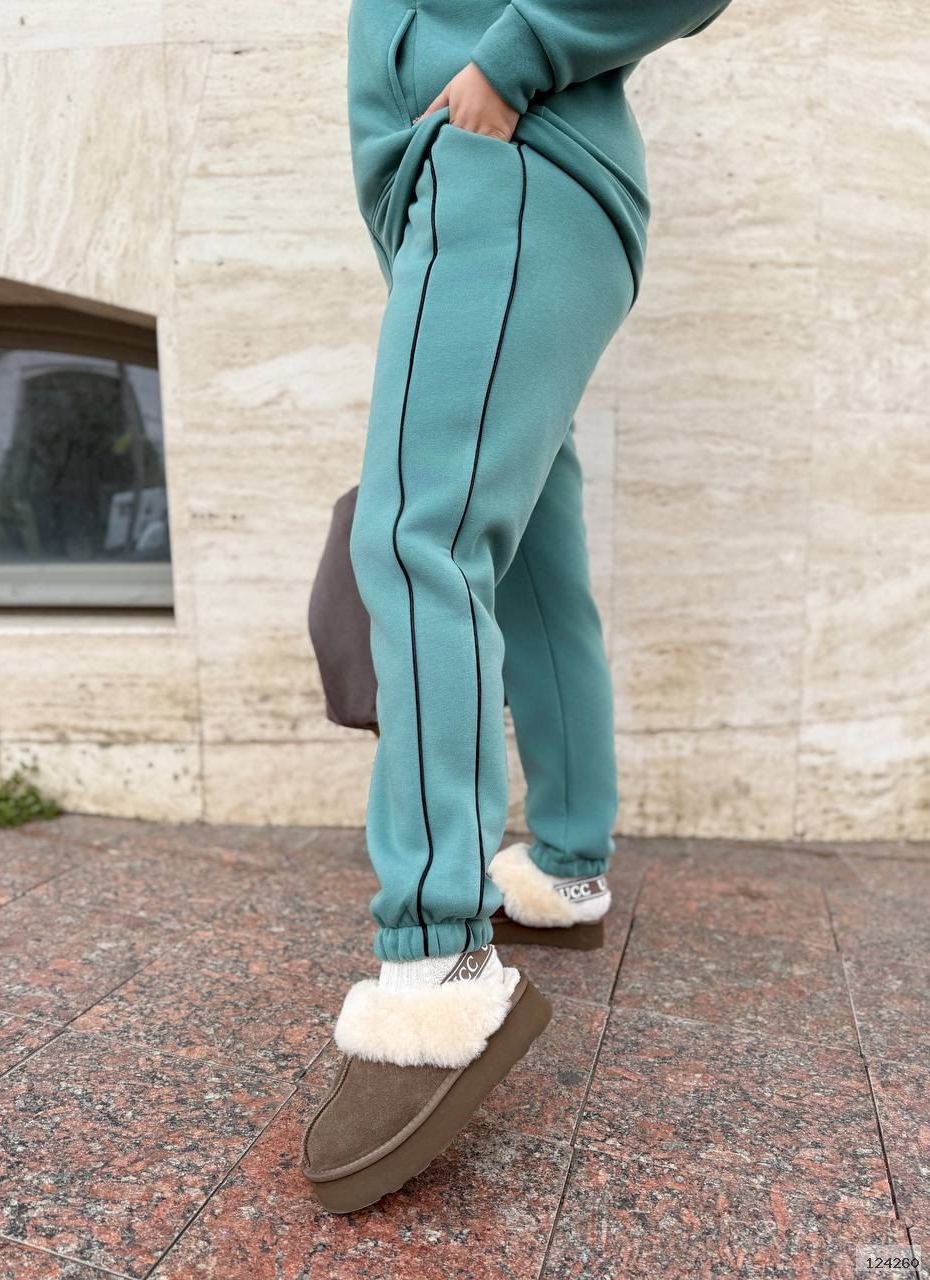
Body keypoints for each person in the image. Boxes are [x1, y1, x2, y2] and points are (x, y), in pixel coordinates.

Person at [301, 0, 731, 1211]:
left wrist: (510, 62)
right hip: (515, 193)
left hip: (509, 173)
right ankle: (568, 865)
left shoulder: (503, 103)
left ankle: (434, 963)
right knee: (533, 561)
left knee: (418, 539)